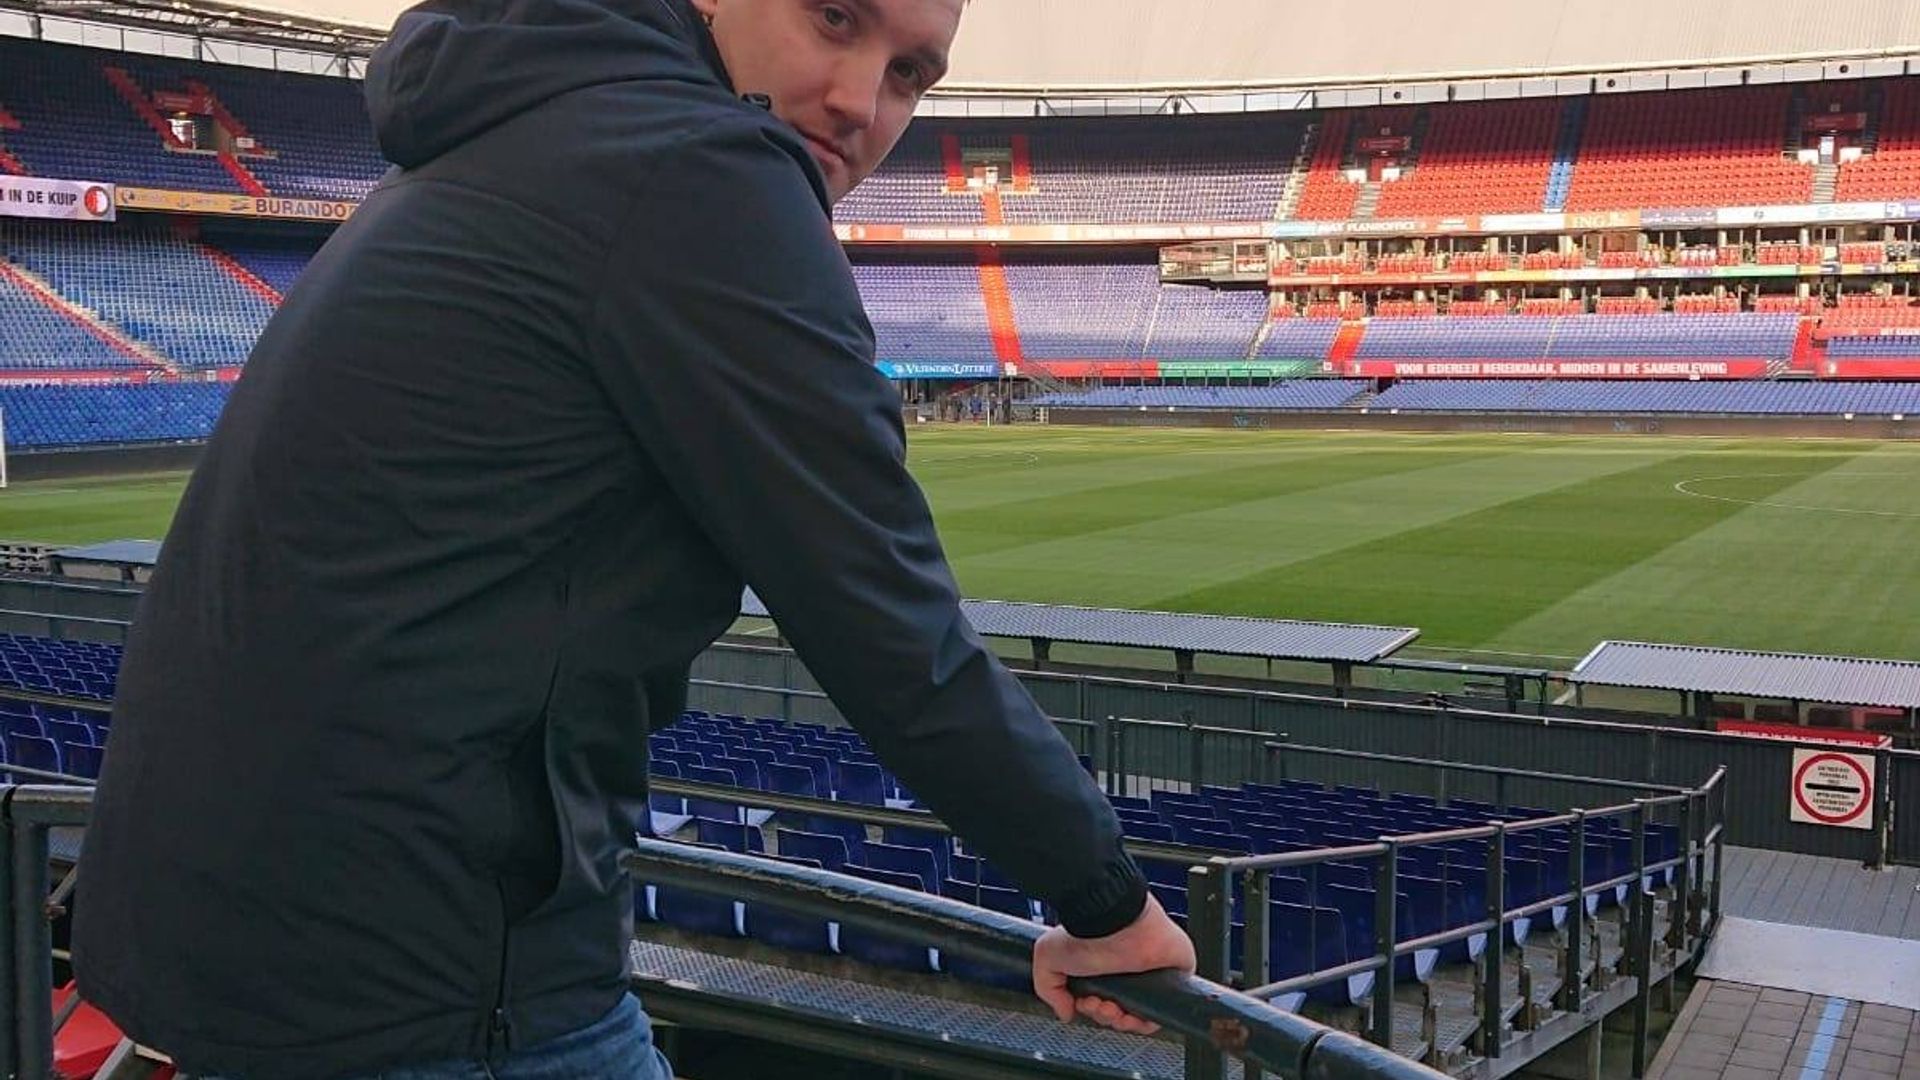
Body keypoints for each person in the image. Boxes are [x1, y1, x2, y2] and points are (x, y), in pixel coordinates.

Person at [71, 0, 1195, 1077]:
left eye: (910, 73)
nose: (861, 100)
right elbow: (883, 616)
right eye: (833, 18)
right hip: (423, 967)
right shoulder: (703, 173)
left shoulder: (537, 124)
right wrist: (1106, 901)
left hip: (238, 931)